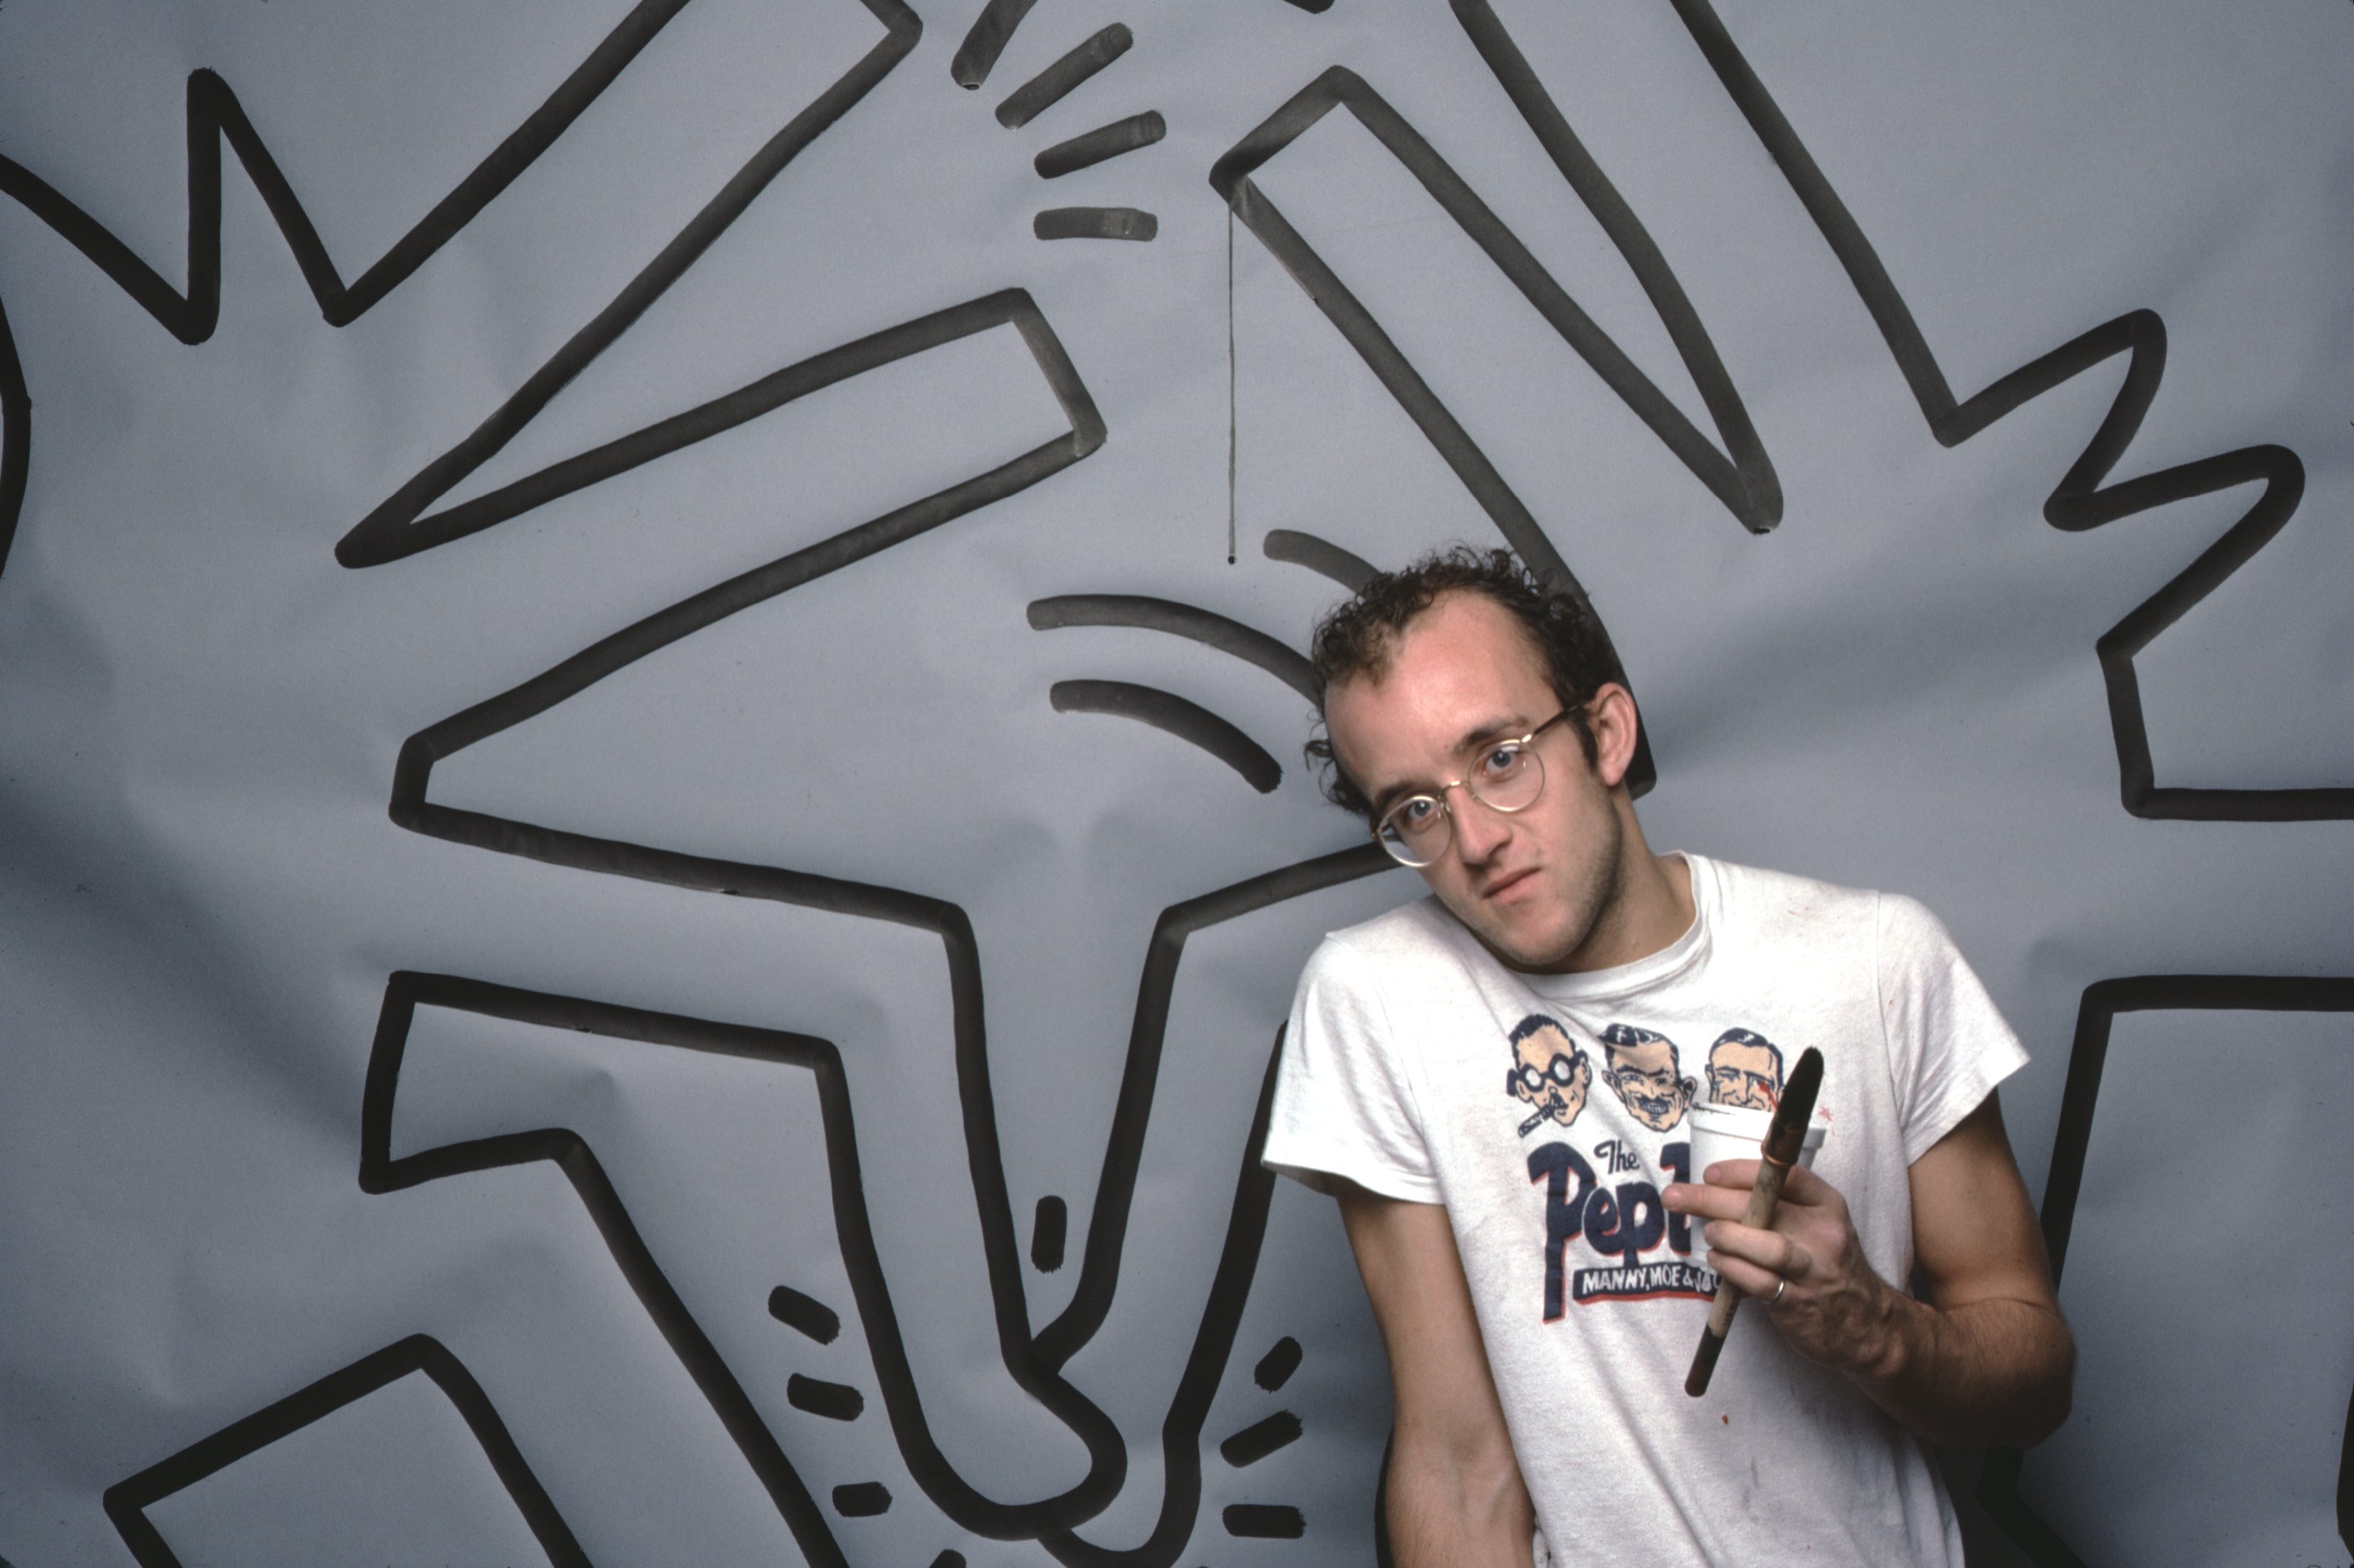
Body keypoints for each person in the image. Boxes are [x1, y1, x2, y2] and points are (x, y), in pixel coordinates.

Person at [1260, 548, 2073, 1567]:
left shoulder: (1873, 961)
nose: (1473, 837)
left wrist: (1871, 1325)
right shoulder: (1379, 998)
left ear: (1604, 731)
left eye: (1501, 755)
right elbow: (1458, 1460)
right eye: (1414, 808)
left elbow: (2036, 1378)